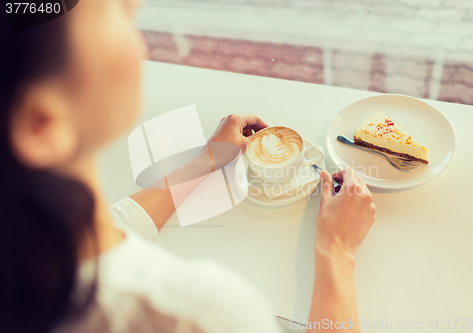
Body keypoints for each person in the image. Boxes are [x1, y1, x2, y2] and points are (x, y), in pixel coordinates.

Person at [0, 0, 376, 332]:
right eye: (114, 10)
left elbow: (113, 228)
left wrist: (207, 160)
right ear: (42, 123)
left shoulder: (32, 258)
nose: (135, 3)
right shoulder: (198, 314)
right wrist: (337, 250)